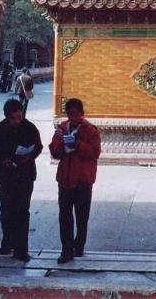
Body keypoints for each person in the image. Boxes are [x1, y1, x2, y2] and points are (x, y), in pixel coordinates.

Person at [0, 97, 42, 262]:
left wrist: (30, 155)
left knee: (23, 212)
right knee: (7, 210)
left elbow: (38, 147)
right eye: (13, 118)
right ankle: (7, 242)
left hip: (25, 175)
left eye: (19, 117)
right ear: (6, 116)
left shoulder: (29, 128)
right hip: (6, 176)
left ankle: (21, 249)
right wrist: (2, 159)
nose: (17, 121)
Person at [49, 98, 101, 264]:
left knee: (81, 216)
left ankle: (79, 245)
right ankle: (66, 249)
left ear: (82, 114)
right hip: (65, 180)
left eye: (75, 114)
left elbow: (95, 153)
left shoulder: (90, 130)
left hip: (83, 180)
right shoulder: (62, 128)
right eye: (69, 114)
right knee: (64, 216)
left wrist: (77, 144)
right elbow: (55, 153)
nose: (72, 117)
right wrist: (59, 142)